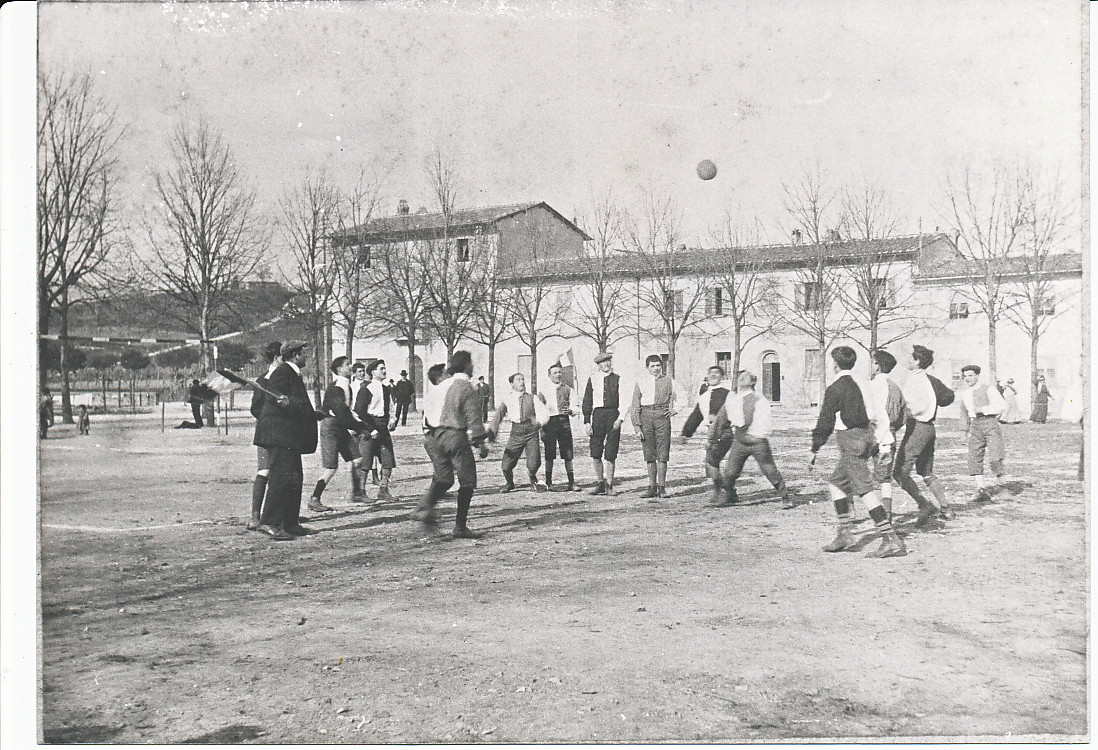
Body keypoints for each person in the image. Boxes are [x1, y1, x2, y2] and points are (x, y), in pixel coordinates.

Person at [811, 346, 906, 558]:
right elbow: (881, 415)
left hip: (851, 441)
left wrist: (815, 446)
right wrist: (884, 443)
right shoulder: (865, 384)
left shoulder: (835, 387)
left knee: (864, 489)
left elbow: (825, 420)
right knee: (836, 483)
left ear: (834, 364)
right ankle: (845, 533)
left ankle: (890, 539)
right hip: (868, 437)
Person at [413, 350, 490, 539]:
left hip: (433, 436)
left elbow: (428, 413)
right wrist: (480, 443)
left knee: (445, 479)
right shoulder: (467, 387)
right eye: (471, 363)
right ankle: (460, 527)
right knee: (467, 481)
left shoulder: (442, 386)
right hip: (454, 436)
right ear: (467, 365)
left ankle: (425, 506)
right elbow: (474, 419)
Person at [252, 340, 319, 540]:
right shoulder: (282, 372)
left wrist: (313, 414)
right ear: (295, 355)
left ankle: (290, 523)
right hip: (279, 434)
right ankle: (270, 522)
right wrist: (284, 400)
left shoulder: (292, 374)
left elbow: (292, 402)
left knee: (295, 477)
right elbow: (275, 397)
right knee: (281, 478)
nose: (307, 356)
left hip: (288, 435)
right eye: (304, 353)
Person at [893, 344, 955, 526]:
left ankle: (925, 505)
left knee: (899, 472)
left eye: (909, 357)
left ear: (917, 361)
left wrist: (896, 421)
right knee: (926, 471)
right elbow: (946, 397)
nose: (905, 359)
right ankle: (946, 508)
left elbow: (912, 407)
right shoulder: (928, 380)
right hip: (929, 428)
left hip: (918, 427)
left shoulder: (914, 380)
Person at [713, 370, 794, 509]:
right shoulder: (733, 399)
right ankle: (731, 496)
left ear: (753, 382)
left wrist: (755, 436)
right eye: (741, 377)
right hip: (740, 441)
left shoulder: (760, 401)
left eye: (746, 377)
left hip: (756, 442)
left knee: (770, 471)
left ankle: (785, 496)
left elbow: (763, 423)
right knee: (730, 473)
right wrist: (713, 437)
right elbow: (722, 419)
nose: (742, 378)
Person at [308, 356, 368, 511]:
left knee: (358, 459)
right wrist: (359, 427)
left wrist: (357, 422)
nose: (350, 367)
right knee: (330, 468)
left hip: (339, 426)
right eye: (347, 365)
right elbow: (341, 413)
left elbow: (346, 411)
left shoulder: (344, 384)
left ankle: (356, 493)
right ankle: (314, 499)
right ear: (340, 369)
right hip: (331, 427)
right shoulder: (337, 387)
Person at [681, 365, 734, 502]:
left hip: (724, 432)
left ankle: (722, 492)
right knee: (711, 464)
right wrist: (686, 433)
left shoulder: (728, 394)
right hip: (711, 433)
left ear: (722, 377)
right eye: (711, 373)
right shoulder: (704, 396)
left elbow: (735, 412)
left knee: (711, 462)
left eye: (717, 373)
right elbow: (696, 416)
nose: (713, 375)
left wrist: (720, 418)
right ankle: (728, 492)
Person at [488, 372, 545, 492]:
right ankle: (509, 483)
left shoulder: (532, 398)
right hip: (516, 433)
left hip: (531, 432)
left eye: (523, 379)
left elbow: (544, 413)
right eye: (519, 380)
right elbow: (498, 416)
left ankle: (532, 477)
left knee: (534, 463)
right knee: (506, 465)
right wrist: (492, 433)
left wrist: (539, 422)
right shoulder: (507, 399)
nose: (522, 382)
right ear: (512, 384)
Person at [868, 350, 906, 523]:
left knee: (853, 468)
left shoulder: (872, 386)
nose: (871, 366)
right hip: (889, 436)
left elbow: (868, 412)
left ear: (878, 366)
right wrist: (892, 427)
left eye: (873, 362)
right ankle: (887, 513)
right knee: (885, 477)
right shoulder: (896, 387)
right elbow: (905, 415)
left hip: (872, 434)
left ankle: (848, 511)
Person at [959, 364, 1007, 502]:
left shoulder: (989, 389)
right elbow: (964, 414)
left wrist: (983, 409)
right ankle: (980, 489)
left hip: (990, 422)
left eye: (970, 375)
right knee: (974, 456)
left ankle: (1002, 487)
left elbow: (1002, 406)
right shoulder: (965, 394)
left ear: (977, 376)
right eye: (965, 376)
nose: (967, 378)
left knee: (995, 455)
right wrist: (964, 431)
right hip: (975, 426)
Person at [630, 354, 676, 499]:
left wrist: (675, 409)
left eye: (658, 365)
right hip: (646, 417)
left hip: (662, 417)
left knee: (662, 453)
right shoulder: (641, 382)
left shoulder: (669, 381)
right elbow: (635, 405)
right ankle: (652, 488)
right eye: (653, 366)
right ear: (647, 368)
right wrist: (637, 427)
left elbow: (684, 396)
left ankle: (662, 488)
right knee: (649, 454)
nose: (656, 368)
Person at [247, 342, 282, 530]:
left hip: (284, 434)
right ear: (277, 359)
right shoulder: (263, 380)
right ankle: (255, 516)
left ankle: (282, 514)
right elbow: (255, 408)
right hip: (267, 433)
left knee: (283, 473)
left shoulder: (287, 379)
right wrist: (272, 420)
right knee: (265, 471)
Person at [355, 359, 398, 503]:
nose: (384, 371)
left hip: (382, 427)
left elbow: (391, 407)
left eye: (385, 368)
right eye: (381, 369)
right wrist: (370, 429)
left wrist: (392, 420)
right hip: (369, 427)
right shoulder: (366, 389)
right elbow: (360, 411)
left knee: (388, 459)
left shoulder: (386, 389)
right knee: (366, 461)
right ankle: (361, 492)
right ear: (373, 372)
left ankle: (383, 490)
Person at [582, 352, 623, 495]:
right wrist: (587, 422)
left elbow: (623, 400)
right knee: (596, 449)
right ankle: (600, 482)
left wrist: (620, 418)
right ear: (598, 365)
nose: (607, 364)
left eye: (608, 361)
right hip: (598, 415)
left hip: (613, 414)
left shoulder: (618, 379)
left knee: (611, 451)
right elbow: (587, 401)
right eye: (603, 362)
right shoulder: (592, 379)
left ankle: (609, 485)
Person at [538, 361, 582, 492]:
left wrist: (570, 410)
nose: (558, 375)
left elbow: (575, 407)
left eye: (559, 372)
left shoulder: (569, 389)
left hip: (563, 421)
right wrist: (541, 427)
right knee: (549, 453)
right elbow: (539, 409)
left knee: (567, 453)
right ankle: (549, 482)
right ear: (549, 375)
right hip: (549, 422)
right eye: (555, 373)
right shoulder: (544, 391)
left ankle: (571, 482)